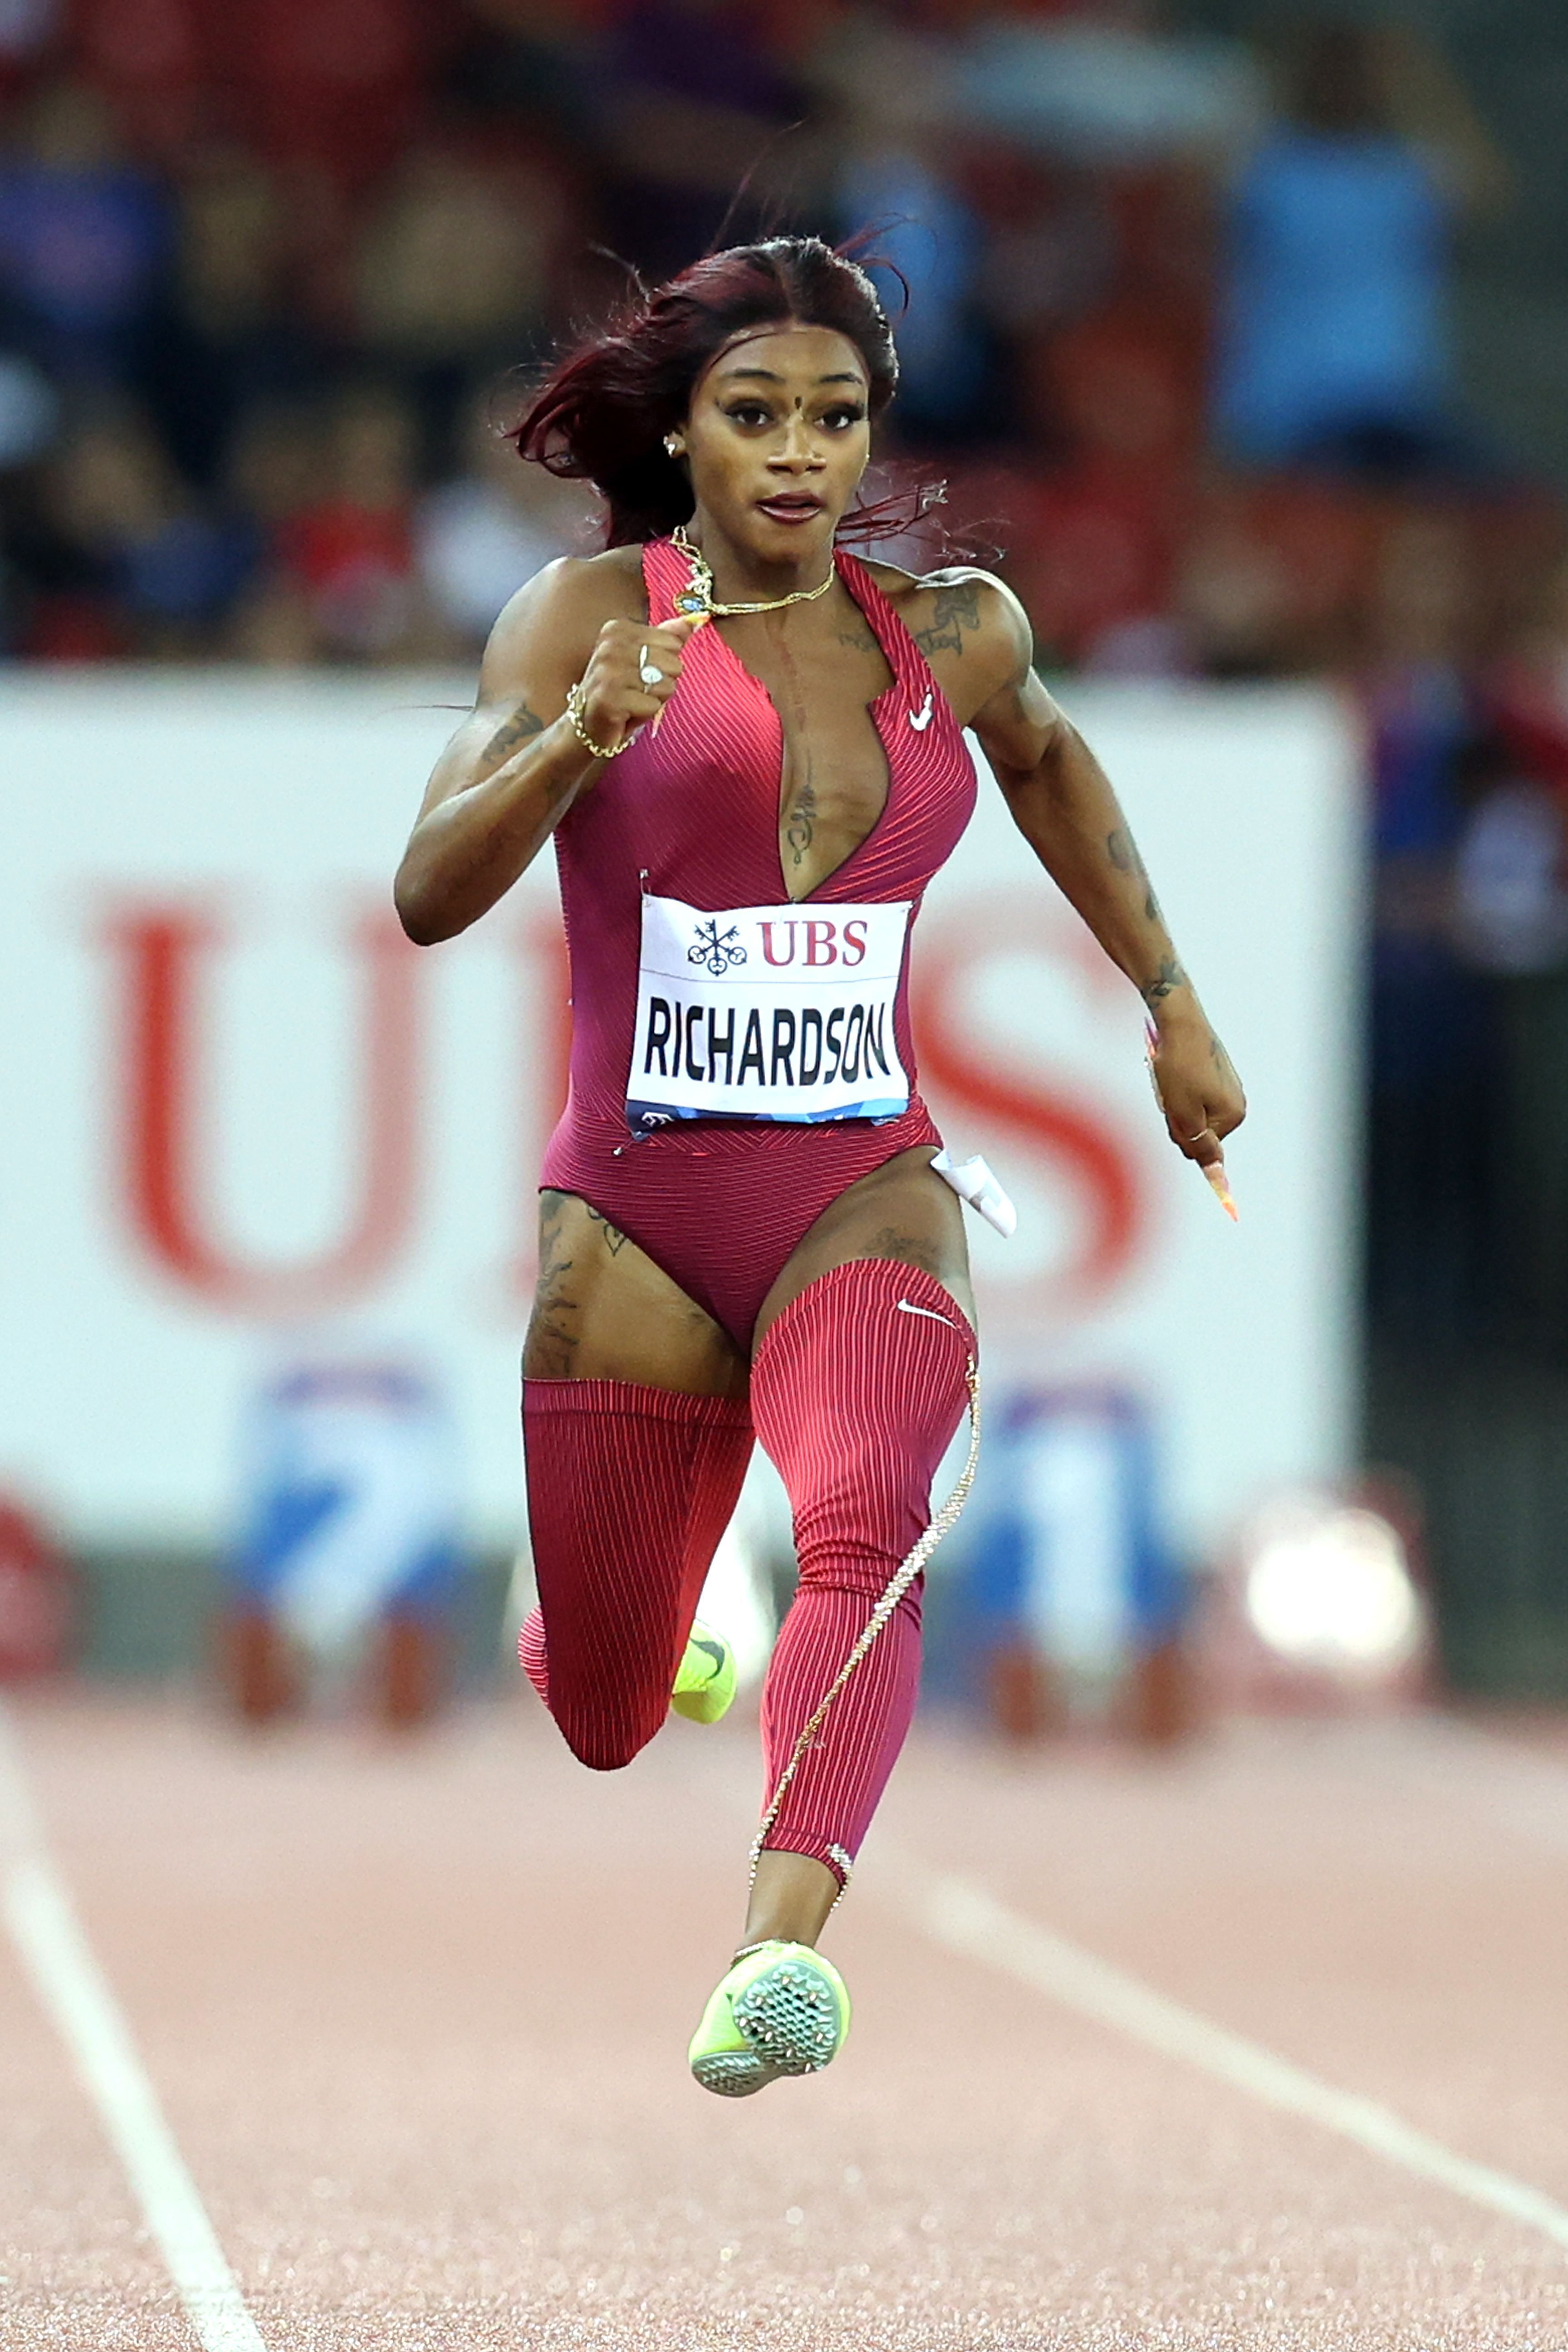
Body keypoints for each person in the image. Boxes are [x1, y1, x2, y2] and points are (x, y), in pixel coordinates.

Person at [393, 235, 1244, 2097]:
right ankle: (644, 1616)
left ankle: (775, 1959)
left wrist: (1172, 1004)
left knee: (877, 1509)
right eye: (755, 415)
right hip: (633, 1208)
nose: (799, 454)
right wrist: (570, 744)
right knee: (611, 1716)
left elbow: (1052, 764)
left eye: (836, 419)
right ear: (685, 437)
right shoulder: (579, 618)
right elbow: (427, 894)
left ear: (873, 441)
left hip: (865, 1173)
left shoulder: (956, 630)